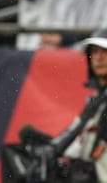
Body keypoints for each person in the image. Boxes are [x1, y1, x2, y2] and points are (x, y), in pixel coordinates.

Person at [17, 28, 107, 181]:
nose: (99, 58)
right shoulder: (95, 99)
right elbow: (76, 136)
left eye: (105, 52)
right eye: (95, 52)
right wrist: (52, 148)